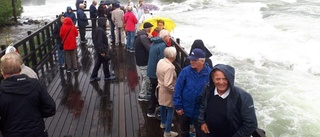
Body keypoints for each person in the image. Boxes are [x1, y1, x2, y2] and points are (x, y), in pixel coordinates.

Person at [0, 53, 56, 136]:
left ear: (2, 72)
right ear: (19, 69)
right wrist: (37, 115)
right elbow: (51, 108)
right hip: (37, 132)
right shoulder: (35, 84)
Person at [199, 64, 258, 137]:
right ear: (212, 79)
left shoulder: (243, 97)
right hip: (209, 133)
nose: (221, 82)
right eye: (218, 79)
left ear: (230, 79)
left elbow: (251, 124)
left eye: (225, 79)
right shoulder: (208, 90)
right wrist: (202, 122)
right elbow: (202, 105)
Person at [173, 48, 212, 137]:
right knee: (184, 131)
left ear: (202, 61)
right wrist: (178, 106)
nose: (191, 62)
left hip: (199, 112)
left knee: (200, 133)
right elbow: (177, 89)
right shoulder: (185, 71)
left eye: (194, 60)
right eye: (190, 60)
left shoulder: (210, 74)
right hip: (185, 109)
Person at [146, 30, 170, 117]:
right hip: (155, 72)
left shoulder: (155, 43)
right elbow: (162, 61)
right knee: (156, 92)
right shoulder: (162, 45)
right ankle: (152, 110)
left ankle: (152, 109)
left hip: (151, 70)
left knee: (154, 90)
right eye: (168, 36)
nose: (169, 38)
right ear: (164, 37)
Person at [156, 47, 178, 137]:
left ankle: (163, 123)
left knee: (162, 106)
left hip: (160, 88)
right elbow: (168, 84)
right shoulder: (169, 67)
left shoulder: (161, 61)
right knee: (170, 110)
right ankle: (167, 132)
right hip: (167, 92)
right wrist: (176, 91)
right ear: (172, 56)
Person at [134, 22, 153, 101]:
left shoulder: (141, 35)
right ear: (148, 29)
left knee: (146, 77)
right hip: (143, 60)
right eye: (151, 28)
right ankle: (142, 96)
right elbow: (149, 49)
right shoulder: (143, 37)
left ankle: (147, 92)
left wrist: (149, 38)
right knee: (146, 78)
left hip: (140, 59)